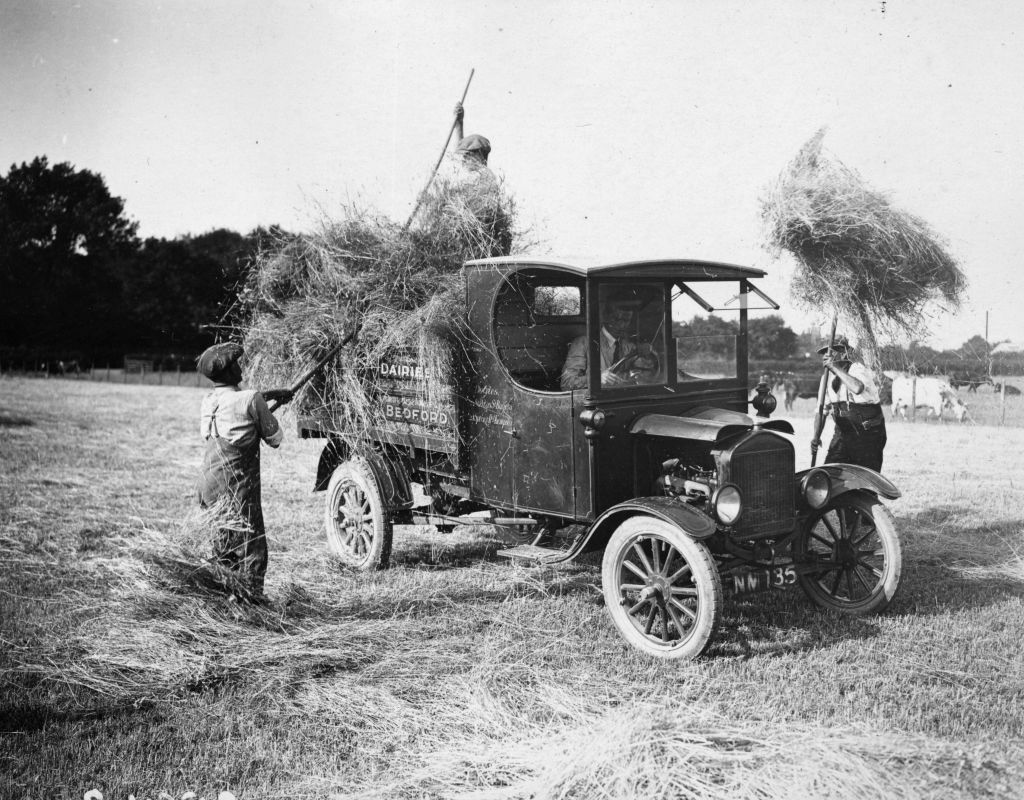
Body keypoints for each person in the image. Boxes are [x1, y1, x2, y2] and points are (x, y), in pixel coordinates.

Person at [195, 343, 292, 602]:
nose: (241, 367)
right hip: (237, 487)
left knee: (222, 545)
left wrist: (265, 399)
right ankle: (250, 605)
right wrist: (262, 408)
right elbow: (275, 438)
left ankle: (224, 600)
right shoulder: (251, 399)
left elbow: (235, 412)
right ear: (227, 372)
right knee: (251, 548)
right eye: (236, 364)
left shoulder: (209, 401)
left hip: (208, 486)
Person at [560, 290, 658, 390]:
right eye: (616, 319)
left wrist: (648, 354)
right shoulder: (583, 344)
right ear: (605, 316)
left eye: (626, 320)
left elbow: (646, 373)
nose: (622, 325)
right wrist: (597, 379)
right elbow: (566, 383)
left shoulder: (630, 348)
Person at [816, 335, 887, 471]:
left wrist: (834, 367)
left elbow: (857, 388)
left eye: (833, 351)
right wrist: (816, 437)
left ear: (844, 353)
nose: (828, 355)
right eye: (825, 352)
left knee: (864, 480)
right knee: (830, 473)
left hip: (867, 433)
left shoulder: (857, 369)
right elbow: (821, 411)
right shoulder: (826, 378)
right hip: (843, 432)